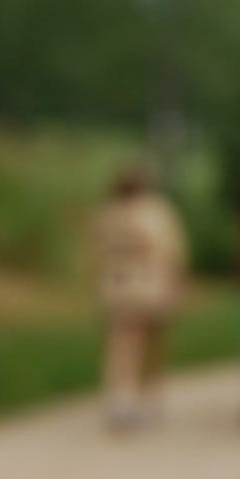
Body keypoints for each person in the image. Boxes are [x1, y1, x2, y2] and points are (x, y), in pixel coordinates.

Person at [93, 164, 188, 430]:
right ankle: (142, 398)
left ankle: (125, 399)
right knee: (144, 346)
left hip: (121, 290)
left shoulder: (108, 214)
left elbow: (99, 255)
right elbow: (172, 252)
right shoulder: (157, 213)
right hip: (148, 289)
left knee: (125, 346)